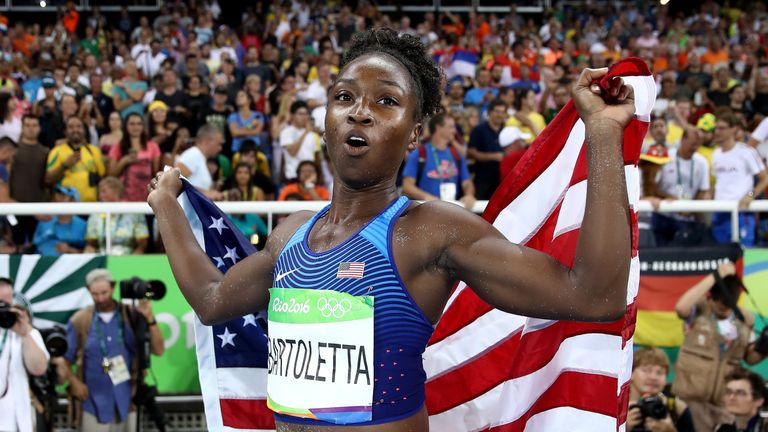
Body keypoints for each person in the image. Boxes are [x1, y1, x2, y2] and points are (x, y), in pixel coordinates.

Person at [148, 28, 634, 431]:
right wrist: (166, 205)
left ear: (416, 133)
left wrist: (605, 132)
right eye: (345, 96)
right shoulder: (291, 235)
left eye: (386, 101)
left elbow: (594, 296)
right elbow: (213, 301)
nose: (359, 110)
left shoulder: (429, 232)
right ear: (326, 120)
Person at [54, 269, 164, 431]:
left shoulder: (131, 314)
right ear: (88, 291)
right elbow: (63, 359)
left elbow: (159, 350)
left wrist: (149, 318)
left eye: (104, 292)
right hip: (92, 403)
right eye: (95, 294)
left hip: (128, 400)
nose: (100, 298)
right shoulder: (80, 320)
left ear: (113, 287)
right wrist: (73, 381)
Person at [673, 262, 766, 432]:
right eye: (718, 302)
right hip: (691, 401)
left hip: (724, 404)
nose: (723, 307)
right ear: (712, 297)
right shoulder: (700, 309)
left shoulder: (745, 318)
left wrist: (764, 346)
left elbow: (750, 358)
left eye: (728, 305)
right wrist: (716, 275)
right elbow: (680, 307)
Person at [0, 277, 49, 432]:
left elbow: (39, 369)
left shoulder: (25, 331)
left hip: (13, 421)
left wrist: (25, 333)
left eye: (5, 303)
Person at [402, 112, 476, 209]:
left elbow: (467, 182)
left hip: (452, 211)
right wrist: (426, 197)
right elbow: (407, 186)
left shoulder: (456, 154)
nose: (454, 131)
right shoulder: (420, 154)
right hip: (426, 211)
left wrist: (469, 195)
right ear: (438, 128)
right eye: (450, 127)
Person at [627, 347, 694, 432]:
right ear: (630, 373)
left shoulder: (677, 408)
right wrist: (623, 427)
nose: (653, 377)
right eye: (646, 370)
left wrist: (670, 430)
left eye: (660, 372)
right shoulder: (616, 408)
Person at [45, 116, 106, 203]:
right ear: (65, 131)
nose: (75, 130)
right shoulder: (57, 151)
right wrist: (64, 165)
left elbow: (102, 177)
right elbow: (48, 180)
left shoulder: (94, 151)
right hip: (66, 209)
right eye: (71, 127)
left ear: (84, 130)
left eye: (79, 126)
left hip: (91, 207)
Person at [9, 115, 48, 247]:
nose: (31, 129)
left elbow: (47, 180)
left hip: (38, 208)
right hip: (14, 208)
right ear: (22, 127)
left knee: (35, 246)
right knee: (15, 243)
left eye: (34, 125)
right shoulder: (13, 151)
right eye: (27, 125)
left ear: (39, 128)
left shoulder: (45, 152)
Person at [84, 177, 149, 256]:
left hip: (128, 258)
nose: (100, 196)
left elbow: (141, 245)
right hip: (102, 258)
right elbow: (92, 244)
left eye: (104, 191)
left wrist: (132, 262)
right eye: (99, 192)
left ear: (116, 191)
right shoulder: (95, 214)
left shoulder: (134, 212)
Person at [107, 112, 161, 202]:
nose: (136, 127)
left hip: (147, 196)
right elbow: (111, 175)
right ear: (125, 126)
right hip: (125, 197)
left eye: (139, 124)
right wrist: (124, 161)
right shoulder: (117, 147)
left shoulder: (153, 146)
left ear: (143, 126)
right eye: (132, 124)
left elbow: (156, 173)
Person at [32, 186, 86, 255]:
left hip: (69, 264)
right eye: (57, 196)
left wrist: (69, 250)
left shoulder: (82, 225)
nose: (58, 199)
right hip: (42, 263)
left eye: (63, 196)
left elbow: (87, 253)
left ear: (73, 201)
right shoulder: (45, 220)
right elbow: (34, 246)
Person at [175, 123, 224, 200]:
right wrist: (205, 193)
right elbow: (174, 182)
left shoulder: (199, 157)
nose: (220, 148)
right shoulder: (193, 155)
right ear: (208, 141)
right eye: (219, 144)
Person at [715, 368, 768, 432]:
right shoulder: (723, 429)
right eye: (728, 392)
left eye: (741, 393)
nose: (731, 397)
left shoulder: (764, 427)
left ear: (759, 401)